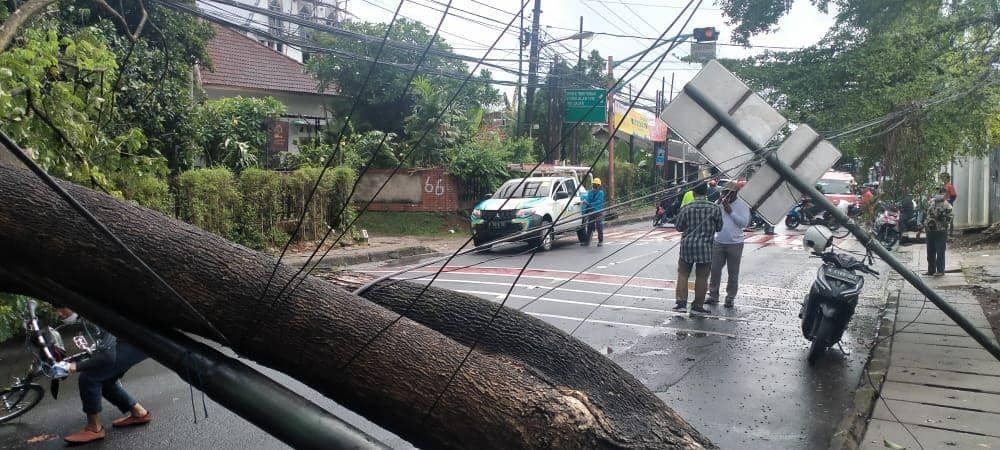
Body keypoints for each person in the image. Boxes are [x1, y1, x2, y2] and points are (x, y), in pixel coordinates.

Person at [51, 305, 152, 444]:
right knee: (106, 379)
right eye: (54, 309)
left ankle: (94, 429)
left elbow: (107, 357)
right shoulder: (87, 310)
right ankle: (139, 413)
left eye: (61, 307)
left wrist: (73, 367)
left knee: (89, 377)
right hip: (134, 339)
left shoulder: (95, 312)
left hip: (139, 342)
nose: (58, 313)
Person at [672, 182, 724, 315]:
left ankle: (681, 303)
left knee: (683, 274)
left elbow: (678, 227)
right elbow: (719, 227)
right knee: (702, 277)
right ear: (706, 193)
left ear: (693, 193)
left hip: (687, 247)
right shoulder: (714, 208)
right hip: (705, 248)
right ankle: (698, 305)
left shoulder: (686, 208)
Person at [707, 182, 751, 308]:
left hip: (735, 243)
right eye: (724, 192)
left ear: (735, 193)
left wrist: (730, 211)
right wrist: (718, 205)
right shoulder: (719, 203)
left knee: (733, 272)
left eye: (728, 193)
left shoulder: (742, 205)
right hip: (719, 240)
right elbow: (711, 216)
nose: (725, 195)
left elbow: (744, 223)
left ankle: (730, 297)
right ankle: (713, 295)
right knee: (715, 269)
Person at [923, 192, 953, 277]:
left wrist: (943, 222)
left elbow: (949, 218)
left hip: (941, 231)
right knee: (930, 251)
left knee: (940, 252)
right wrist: (926, 225)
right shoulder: (932, 204)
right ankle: (931, 270)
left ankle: (940, 270)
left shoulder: (947, 206)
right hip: (930, 230)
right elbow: (927, 216)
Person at [583, 177, 605, 247]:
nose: (595, 186)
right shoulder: (590, 192)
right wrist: (586, 203)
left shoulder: (601, 193)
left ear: (598, 186)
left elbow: (599, 201)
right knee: (589, 226)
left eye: (596, 185)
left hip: (598, 212)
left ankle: (600, 241)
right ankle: (587, 241)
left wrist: (590, 204)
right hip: (591, 211)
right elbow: (587, 199)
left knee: (599, 226)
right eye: (594, 185)